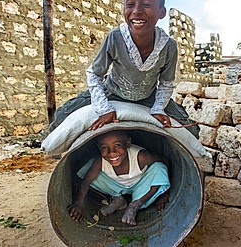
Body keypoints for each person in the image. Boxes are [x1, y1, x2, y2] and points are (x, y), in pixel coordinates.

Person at [49, 0, 199, 137]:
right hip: (112, 92)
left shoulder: (169, 46)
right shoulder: (115, 37)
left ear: (162, 13)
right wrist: (104, 108)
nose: (136, 11)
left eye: (146, 4)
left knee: (191, 130)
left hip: (148, 98)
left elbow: (166, 83)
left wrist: (158, 108)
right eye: (130, 4)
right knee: (62, 116)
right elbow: (95, 74)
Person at [67, 130, 170, 226]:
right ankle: (118, 200)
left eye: (117, 145)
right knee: (89, 170)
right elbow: (86, 182)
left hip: (141, 186)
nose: (111, 152)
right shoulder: (101, 161)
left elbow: (164, 162)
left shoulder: (141, 157)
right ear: (98, 147)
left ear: (128, 143)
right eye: (104, 147)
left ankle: (135, 205)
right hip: (116, 186)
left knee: (159, 167)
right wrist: (78, 203)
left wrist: (164, 194)